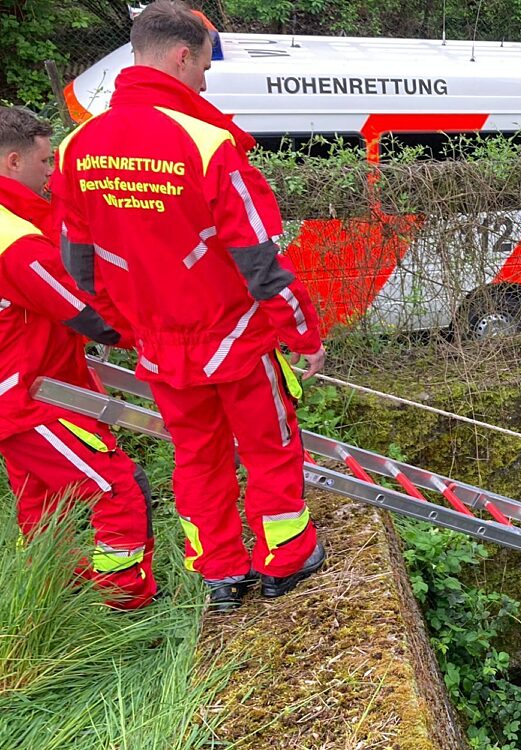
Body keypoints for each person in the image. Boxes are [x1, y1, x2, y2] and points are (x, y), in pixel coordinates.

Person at [52, 0, 328, 611]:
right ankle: (286, 559)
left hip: (160, 348)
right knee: (270, 447)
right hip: (235, 339)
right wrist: (304, 333)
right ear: (182, 55)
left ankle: (221, 574)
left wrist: (125, 330)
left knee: (196, 461)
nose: (205, 79)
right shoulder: (207, 144)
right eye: (204, 64)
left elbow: (79, 264)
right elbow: (260, 261)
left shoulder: (77, 148)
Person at [0, 106, 156, 609]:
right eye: (45, 162)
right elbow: (84, 313)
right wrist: (158, 335)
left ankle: (54, 607)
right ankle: (125, 602)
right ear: (14, 160)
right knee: (118, 488)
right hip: (30, 397)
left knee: (46, 513)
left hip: (26, 389)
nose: (51, 172)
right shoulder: (16, 243)